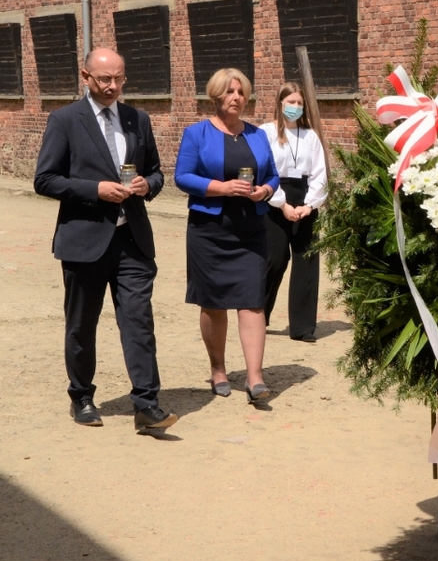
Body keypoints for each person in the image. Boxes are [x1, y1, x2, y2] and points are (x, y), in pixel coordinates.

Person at [33, 48, 178, 432]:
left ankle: (147, 404)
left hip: (132, 239)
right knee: (82, 324)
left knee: (138, 321)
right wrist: (93, 189)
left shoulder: (137, 119)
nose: (113, 86)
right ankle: (81, 395)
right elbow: (44, 179)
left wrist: (149, 185)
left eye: (119, 78)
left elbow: (157, 173)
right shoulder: (65, 120)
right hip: (84, 240)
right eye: (104, 79)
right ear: (85, 76)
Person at [173, 68, 279, 403]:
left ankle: (255, 378)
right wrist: (221, 188)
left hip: (251, 229)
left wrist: (264, 190)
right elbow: (182, 177)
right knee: (214, 302)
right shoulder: (197, 134)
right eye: (229, 92)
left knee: (253, 301)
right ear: (216, 95)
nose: (236, 98)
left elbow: (274, 176)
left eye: (241, 92)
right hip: (210, 230)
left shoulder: (258, 135)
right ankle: (218, 369)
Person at [260, 83, 328, 342]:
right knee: (275, 260)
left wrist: (309, 204)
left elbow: (320, 173)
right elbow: (263, 169)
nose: (296, 107)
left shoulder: (310, 136)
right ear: (280, 103)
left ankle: (302, 327)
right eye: (291, 102)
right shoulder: (265, 133)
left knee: (306, 260)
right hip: (275, 196)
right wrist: (281, 203)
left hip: (304, 196)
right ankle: (259, 314)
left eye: (300, 103)